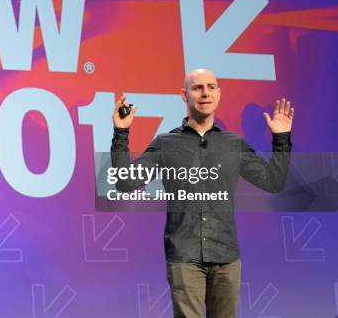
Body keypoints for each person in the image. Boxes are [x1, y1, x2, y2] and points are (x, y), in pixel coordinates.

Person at [110, 68, 293, 318]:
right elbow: (125, 183)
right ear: (184, 95)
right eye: (197, 88)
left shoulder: (233, 144)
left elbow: (273, 182)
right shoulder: (166, 144)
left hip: (226, 255)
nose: (205, 93)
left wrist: (281, 139)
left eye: (211, 87)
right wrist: (121, 133)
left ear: (218, 94)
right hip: (184, 255)